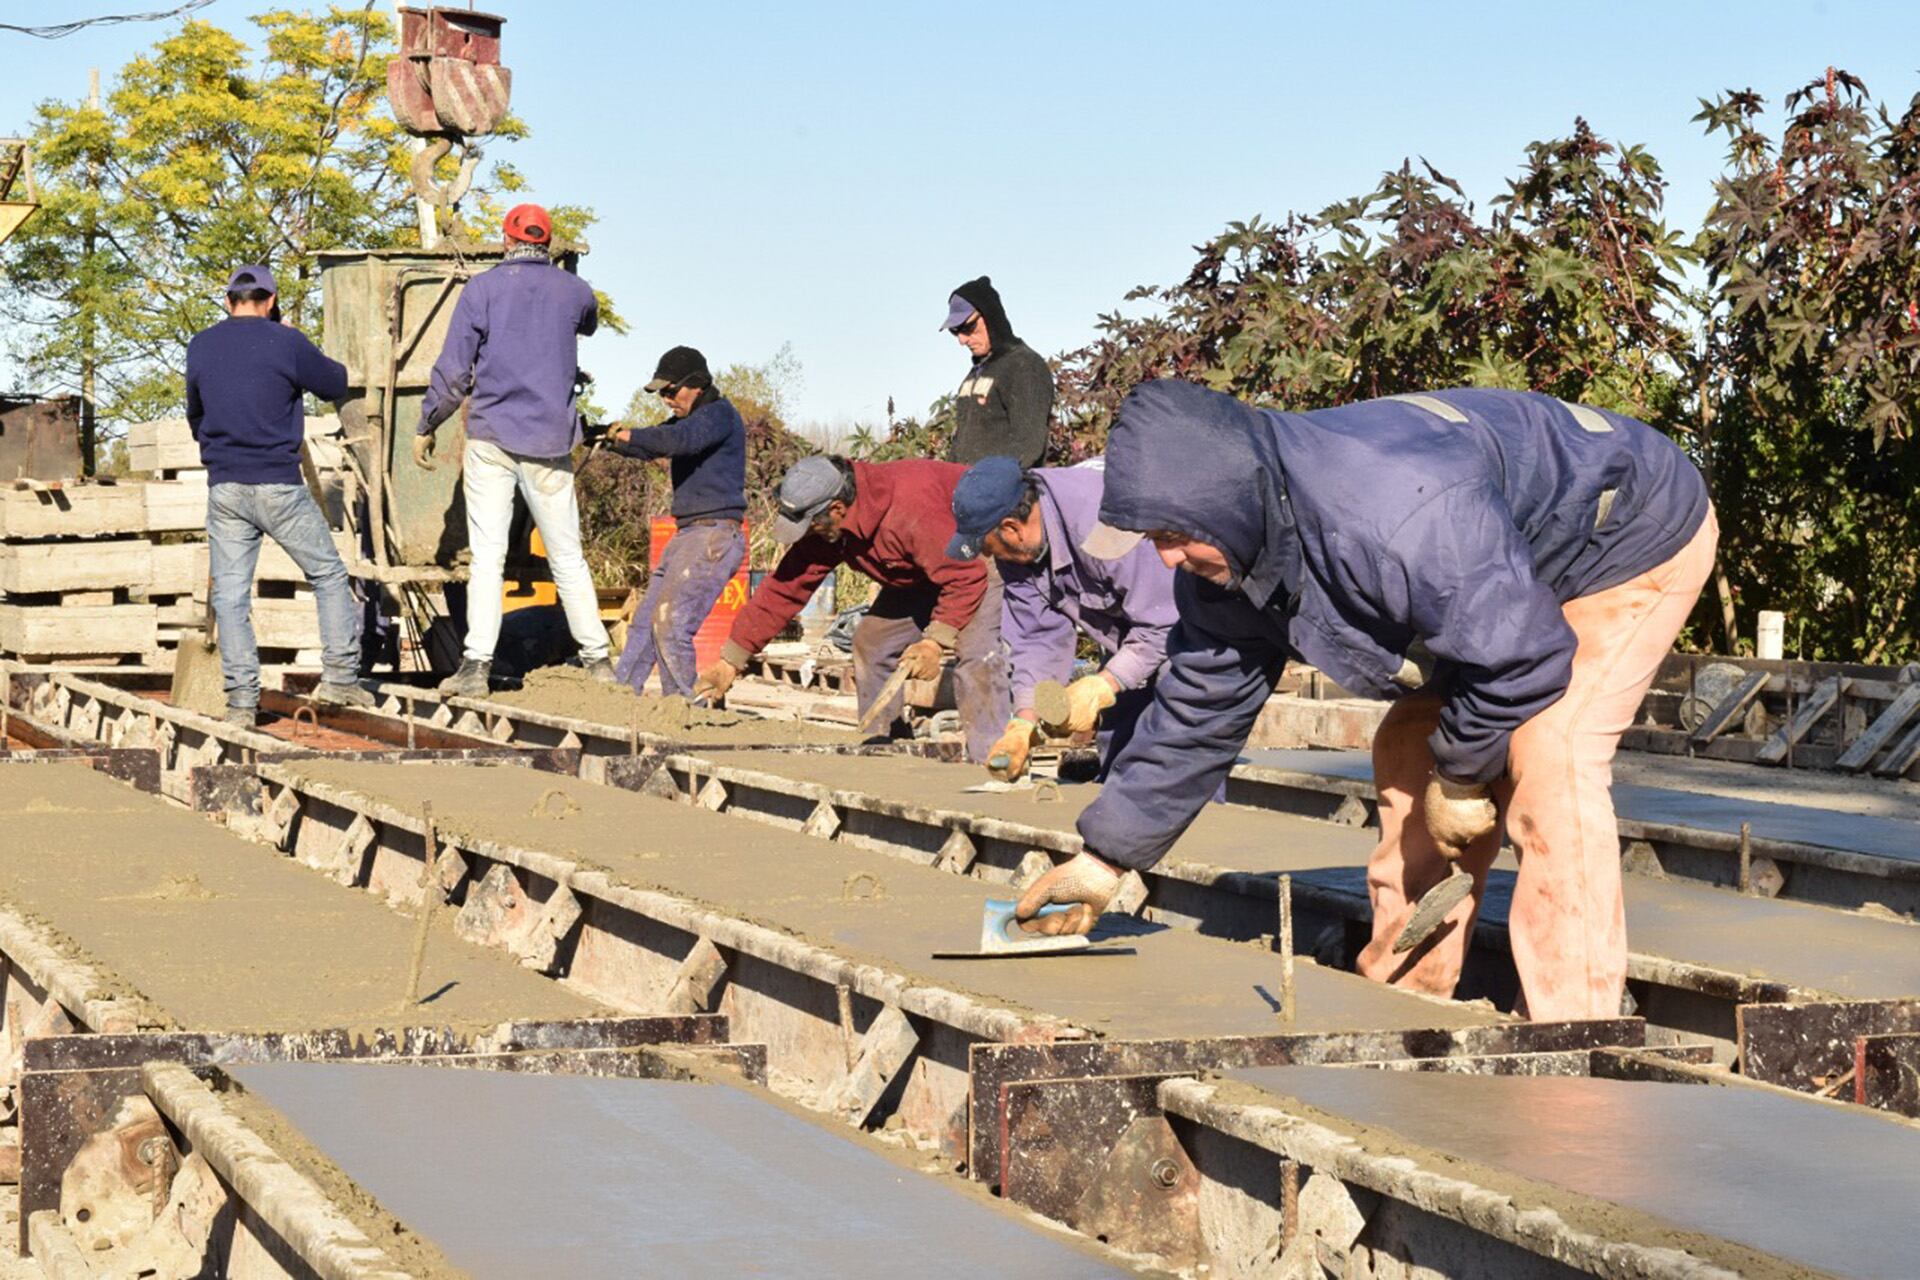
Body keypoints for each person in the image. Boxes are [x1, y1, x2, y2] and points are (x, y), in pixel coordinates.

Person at [1017, 381, 1716, 1024]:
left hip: (1624, 534)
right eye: (1153, 541)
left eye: (1173, 536)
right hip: (1495, 578)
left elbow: (1523, 654)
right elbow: (1200, 706)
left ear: (1223, 498)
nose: (1165, 560)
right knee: (1411, 748)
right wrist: (1105, 858)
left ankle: (1577, 1028)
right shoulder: (1226, 557)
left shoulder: (1397, 517)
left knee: (1549, 751)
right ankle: (1412, 997)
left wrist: (1466, 775)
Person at [415, 203, 613, 697]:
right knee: (568, 555)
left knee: (488, 558)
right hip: (549, 441)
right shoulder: (575, 292)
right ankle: (599, 662)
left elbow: (455, 369)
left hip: (493, 440)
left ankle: (476, 667)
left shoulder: (481, 290)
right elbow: (587, 324)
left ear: (506, 241)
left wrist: (428, 422)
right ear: (546, 244)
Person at [692, 456, 1011, 761]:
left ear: (836, 508)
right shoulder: (829, 526)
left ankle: (993, 760)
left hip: (975, 562)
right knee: (872, 643)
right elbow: (784, 588)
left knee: (975, 654)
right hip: (924, 571)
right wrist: (731, 661)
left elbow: (965, 576)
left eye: (810, 525)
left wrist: (934, 641)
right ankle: (887, 748)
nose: (808, 534)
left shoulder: (910, 507)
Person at [184, 264, 371, 727]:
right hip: (279, 486)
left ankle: (241, 705)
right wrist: (295, 337)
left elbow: (195, 414)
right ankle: (341, 677)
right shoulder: (285, 341)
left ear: (229, 302)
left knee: (229, 597)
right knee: (327, 574)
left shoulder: (201, 344)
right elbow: (336, 382)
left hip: (225, 488)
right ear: (270, 301)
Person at [946, 455, 1176, 780]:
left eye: (987, 546)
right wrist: (1023, 722)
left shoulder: (1101, 523)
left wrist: (1104, 684)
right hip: (1139, 624)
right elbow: (1037, 637)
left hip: (1193, 611)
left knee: (1177, 724)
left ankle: (1205, 821)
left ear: (1011, 528)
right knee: (1122, 738)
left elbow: (1166, 620)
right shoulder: (1019, 549)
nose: (987, 555)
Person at [607, 346, 747, 697]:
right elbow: (653, 444)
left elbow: (675, 441)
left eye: (671, 391)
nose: (667, 400)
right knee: (644, 624)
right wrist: (604, 438)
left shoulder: (717, 416)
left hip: (712, 536)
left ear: (696, 384)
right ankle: (619, 698)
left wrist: (623, 435)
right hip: (690, 535)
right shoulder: (692, 420)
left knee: (671, 626)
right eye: (662, 394)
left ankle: (683, 709)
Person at [941, 276, 1053, 467]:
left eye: (968, 327)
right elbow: (959, 447)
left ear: (990, 316)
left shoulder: (1024, 365)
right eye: (955, 331)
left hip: (1006, 493)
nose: (962, 339)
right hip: (968, 491)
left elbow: (1028, 447)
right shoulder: (975, 374)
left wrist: (989, 487)